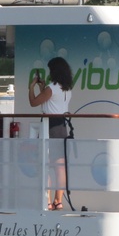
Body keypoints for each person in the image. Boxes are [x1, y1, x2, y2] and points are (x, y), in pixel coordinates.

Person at [28, 56, 73, 210]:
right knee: (60, 166)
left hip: (49, 127)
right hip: (62, 126)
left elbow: (34, 103)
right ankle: (58, 201)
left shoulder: (51, 88)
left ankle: (47, 201)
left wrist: (31, 87)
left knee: (45, 165)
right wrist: (43, 88)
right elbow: (50, 102)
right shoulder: (66, 89)